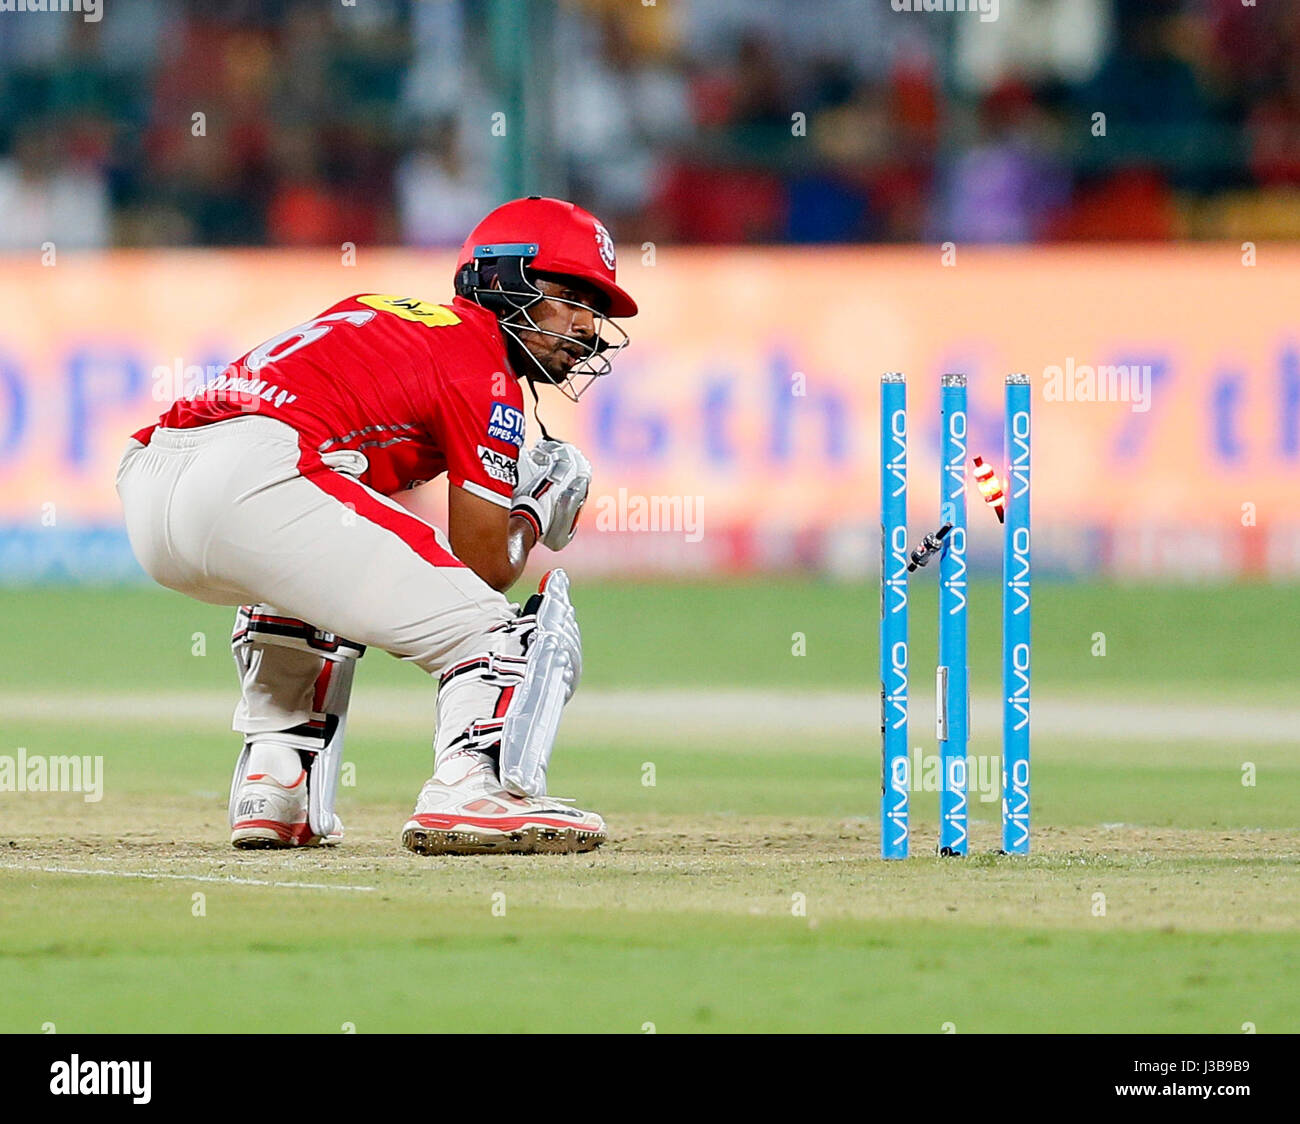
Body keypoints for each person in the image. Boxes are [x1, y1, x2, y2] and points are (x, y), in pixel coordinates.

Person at [115, 196, 637, 855]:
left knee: (306, 589)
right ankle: (473, 788)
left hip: (154, 476)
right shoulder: (482, 361)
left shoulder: (384, 315)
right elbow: (484, 563)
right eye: (574, 296)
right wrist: (534, 508)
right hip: (256, 474)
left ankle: (275, 784)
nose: (588, 327)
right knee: (506, 631)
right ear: (504, 279)